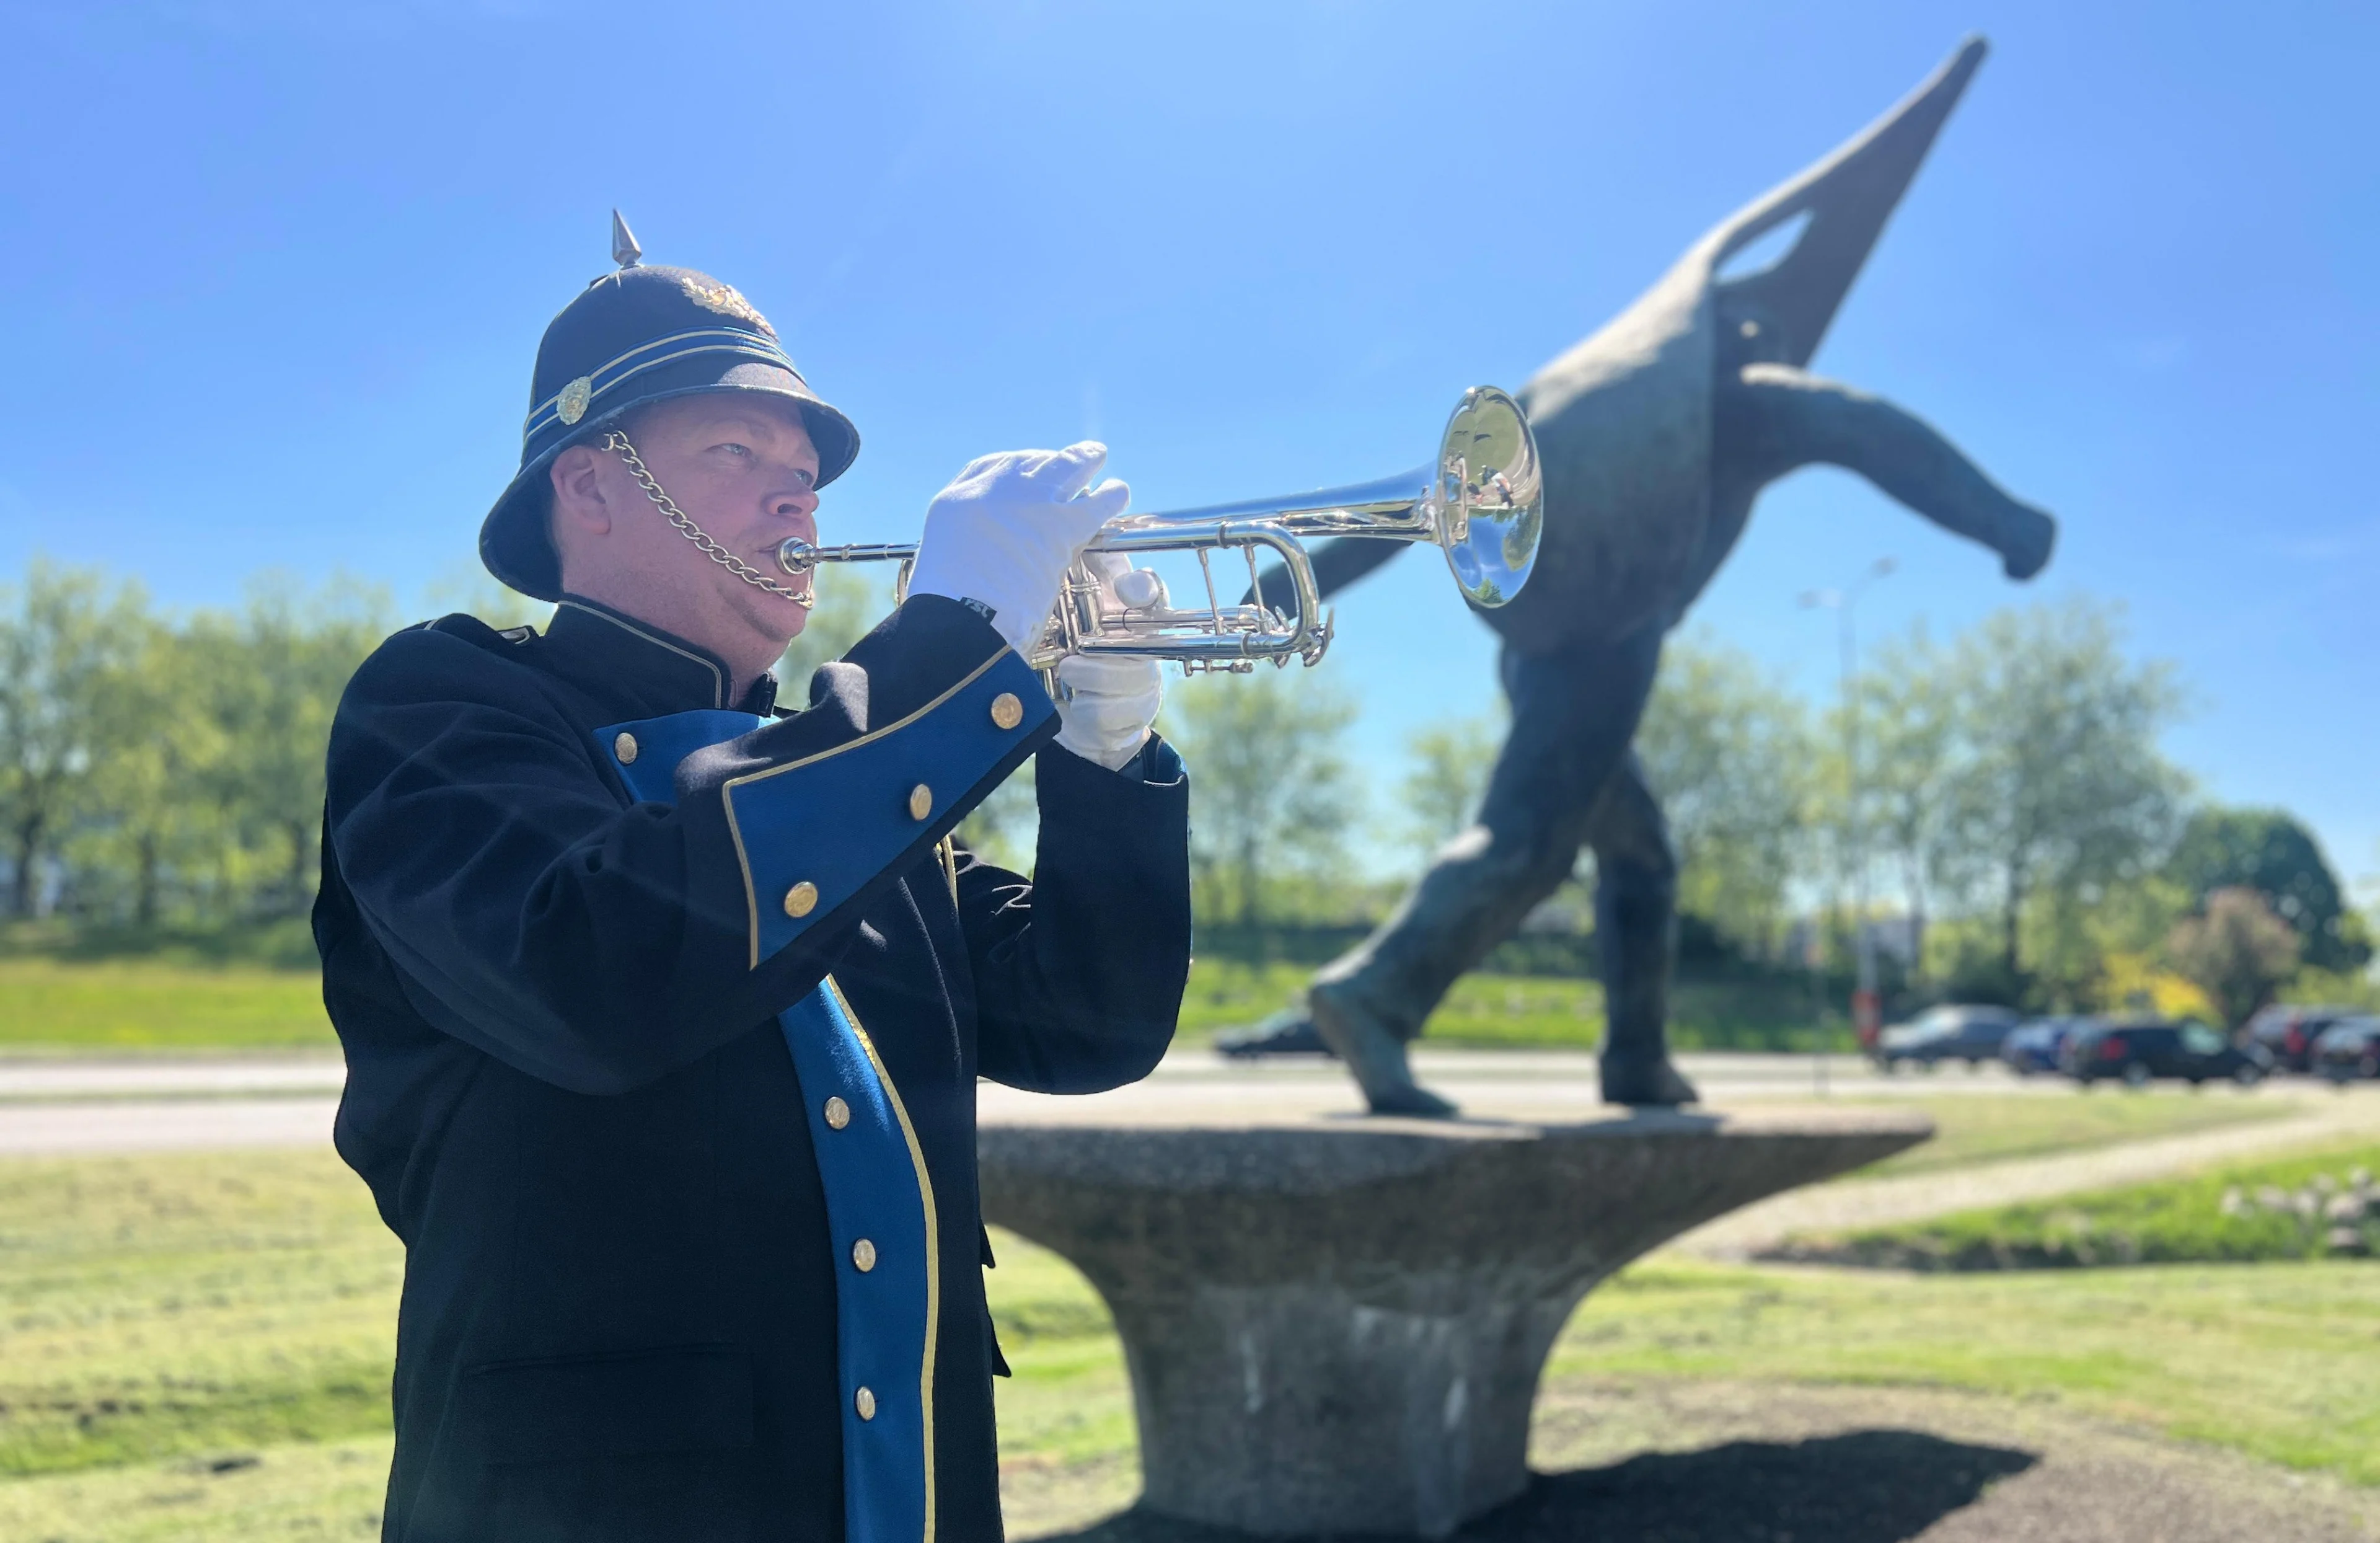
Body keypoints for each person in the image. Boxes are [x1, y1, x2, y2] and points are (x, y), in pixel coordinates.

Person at [313, 237, 1191, 1542]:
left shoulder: (841, 791)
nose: (798, 505)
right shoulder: (445, 704)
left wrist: (1105, 732)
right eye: (738, 457)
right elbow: (590, 973)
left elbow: (1087, 1022)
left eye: (807, 478)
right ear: (590, 484)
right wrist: (949, 644)